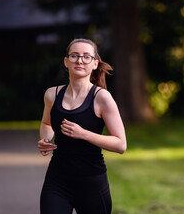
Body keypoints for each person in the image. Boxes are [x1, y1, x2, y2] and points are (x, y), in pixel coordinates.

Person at [38, 38, 127, 214]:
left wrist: (84, 134)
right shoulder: (52, 95)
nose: (79, 60)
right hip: (57, 180)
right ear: (66, 61)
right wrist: (46, 138)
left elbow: (120, 144)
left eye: (86, 57)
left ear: (95, 63)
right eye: (74, 56)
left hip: (91, 182)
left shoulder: (102, 98)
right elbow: (46, 123)